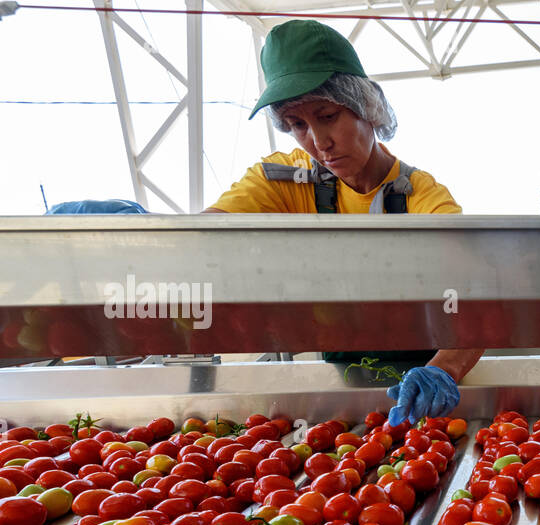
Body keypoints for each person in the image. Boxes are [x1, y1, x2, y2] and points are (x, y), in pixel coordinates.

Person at [204, 19, 476, 426]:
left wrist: (446, 368)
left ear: (367, 107)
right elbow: (202, 242)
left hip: (428, 394)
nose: (318, 142)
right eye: (298, 125)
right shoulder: (283, 180)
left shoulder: (423, 198)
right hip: (342, 395)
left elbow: (476, 300)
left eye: (328, 115)